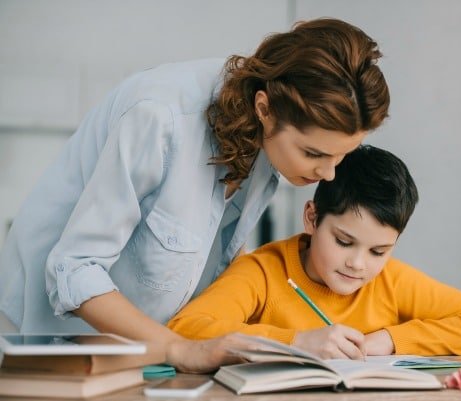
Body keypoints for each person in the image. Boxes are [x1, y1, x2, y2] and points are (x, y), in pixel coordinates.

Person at [0, 18, 390, 372]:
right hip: (39, 342)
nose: (328, 173)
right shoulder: (160, 116)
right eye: (313, 154)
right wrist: (182, 350)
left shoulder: (269, 138)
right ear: (264, 108)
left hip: (147, 354)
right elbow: (75, 269)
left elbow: (219, 255)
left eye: (341, 155)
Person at [167, 145, 461, 360]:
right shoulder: (263, 272)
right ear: (312, 217)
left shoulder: (391, 281)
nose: (358, 264)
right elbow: (187, 327)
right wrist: (296, 342)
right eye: (344, 242)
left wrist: (390, 340)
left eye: (379, 251)